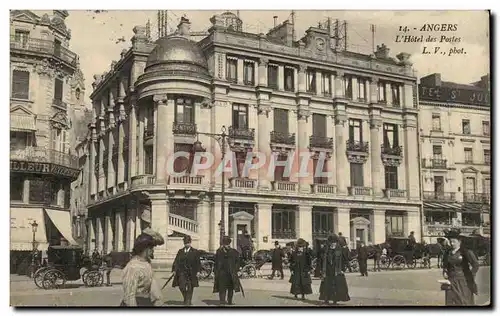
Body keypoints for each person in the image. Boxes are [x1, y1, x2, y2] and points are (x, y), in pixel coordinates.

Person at [121, 229, 164, 307]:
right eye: (151, 247)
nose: (153, 250)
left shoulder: (147, 263)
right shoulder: (133, 267)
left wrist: (158, 300)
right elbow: (129, 296)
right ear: (145, 248)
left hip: (146, 303)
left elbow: (153, 287)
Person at [442, 230, 479, 306]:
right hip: (451, 280)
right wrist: (445, 271)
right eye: (450, 241)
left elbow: (475, 265)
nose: (452, 244)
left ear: (459, 241)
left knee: (463, 301)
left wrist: (470, 275)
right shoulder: (447, 253)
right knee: (450, 302)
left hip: (463, 281)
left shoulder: (466, 252)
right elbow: (445, 265)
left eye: (454, 242)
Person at [319, 234, 350, 305]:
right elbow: (322, 261)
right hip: (327, 270)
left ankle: (335, 300)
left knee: (336, 286)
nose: (333, 244)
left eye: (334, 243)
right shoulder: (326, 250)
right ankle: (326, 299)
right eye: (331, 243)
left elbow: (344, 260)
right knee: (326, 286)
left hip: (337, 270)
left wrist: (343, 269)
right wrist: (322, 270)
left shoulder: (340, 250)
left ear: (336, 243)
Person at [172, 235, 201, 306]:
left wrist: (198, 271)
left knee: (190, 287)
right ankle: (186, 298)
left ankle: (188, 301)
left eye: (188, 242)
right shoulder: (180, 251)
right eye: (185, 242)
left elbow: (198, 263)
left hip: (192, 272)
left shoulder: (195, 252)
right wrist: (174, 270)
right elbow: (176, 261)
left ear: (190, 242)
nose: (186, 244)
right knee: (181, 286)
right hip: (182, 272)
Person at [213, 236, 241, 306]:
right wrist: (216, 272)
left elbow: (238, 262)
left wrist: (236, 269)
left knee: (230, 288)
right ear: (223, 244)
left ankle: (230, 301)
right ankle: (222, 301)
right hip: (222, 273)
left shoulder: (234, 252)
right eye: (225, 244)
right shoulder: (219, 251)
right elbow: (216, 262)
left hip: (231, 273)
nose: (227, 246)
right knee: (222, 288)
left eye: (228, 244)